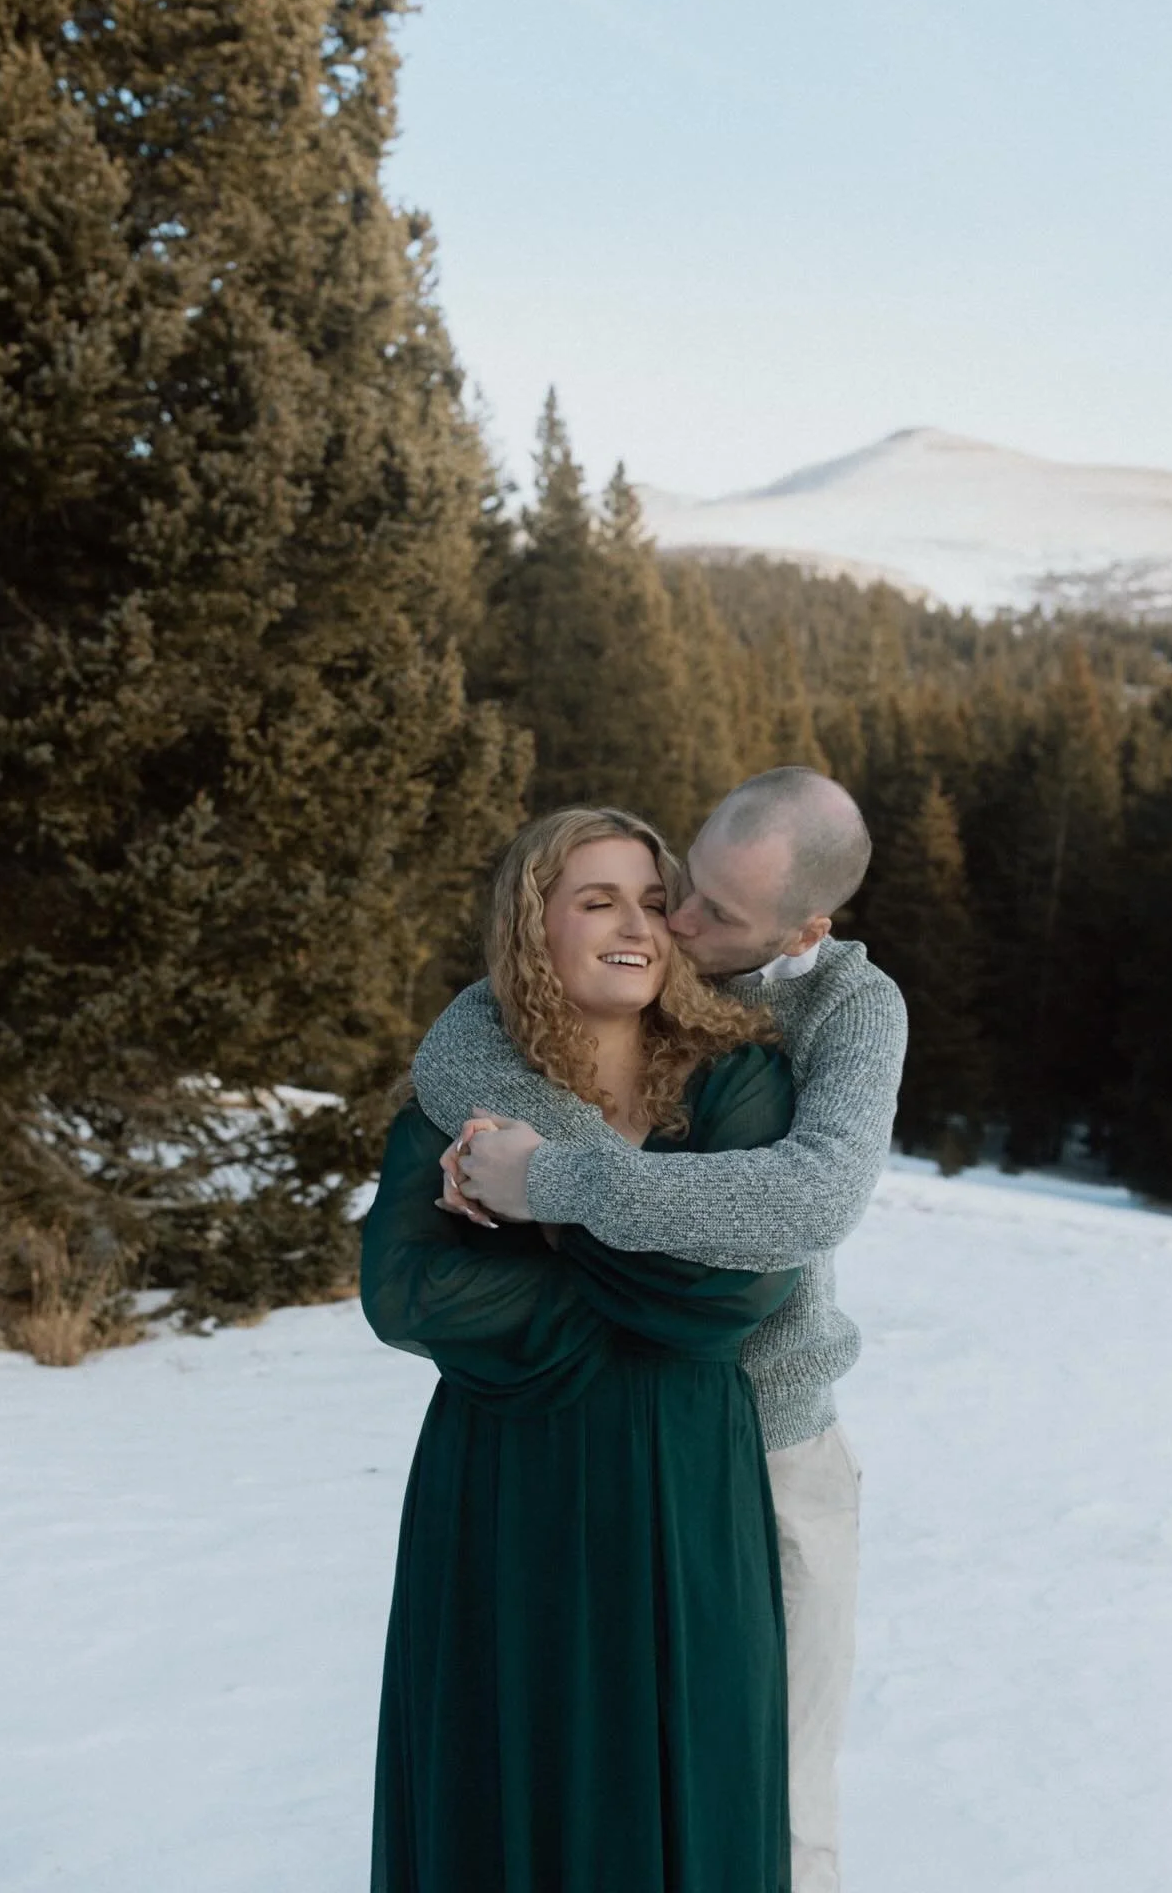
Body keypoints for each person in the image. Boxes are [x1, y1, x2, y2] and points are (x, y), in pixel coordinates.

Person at [415, 766, 908, 1893]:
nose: (675, 924)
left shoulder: (851, 1008)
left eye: (716, 918)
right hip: (617, 1437)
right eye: (680, 887)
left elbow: (811, 1202)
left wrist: (561, 1183)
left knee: (779, 1792)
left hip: (771, 1434)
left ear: (806, 929)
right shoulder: (656, 945)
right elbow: (455, 1048)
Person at [361, 806, 806, 1893]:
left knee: (691, 1770)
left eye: (655, 903)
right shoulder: (464, 1091)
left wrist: (548, 1216)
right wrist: (631, 1283)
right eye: (597, 899)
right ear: (535, 926)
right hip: (508, 1480)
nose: (637, 925)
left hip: (685, 1481)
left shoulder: (732, 1084)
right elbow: (409, 1289)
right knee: (501, 1770)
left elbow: (736, 1289)